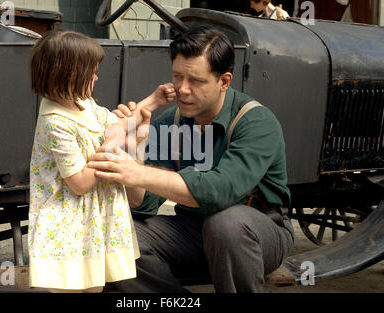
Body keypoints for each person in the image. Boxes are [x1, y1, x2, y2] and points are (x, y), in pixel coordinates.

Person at [87, 26, 294, 293]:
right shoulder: (171, 122)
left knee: (226, 225)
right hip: (194, 230)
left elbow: (219, 191)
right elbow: (144, 204)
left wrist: (139, 173)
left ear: (224, 81)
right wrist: (131, 152)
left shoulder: (256, 122)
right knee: (111, 234)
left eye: (195, 80)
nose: (182, 89)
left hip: (259, 231)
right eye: (177, 77)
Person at [27, 29, 175, 292]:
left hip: (91, 223)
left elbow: (116, 124)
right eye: (92, 72)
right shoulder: (55, 121)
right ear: (70, 75)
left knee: (94, 286)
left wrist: (153, 101)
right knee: (72, 286)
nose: (96, 76)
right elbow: (80, 183)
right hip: (70, 226)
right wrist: (111, 145)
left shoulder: (83, 104)